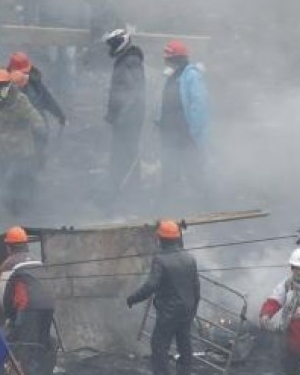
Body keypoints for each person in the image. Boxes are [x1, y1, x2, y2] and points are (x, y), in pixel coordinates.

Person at [126, 220, 200, 375]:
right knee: (185, 346)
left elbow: (151, 285)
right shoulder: (189, 258)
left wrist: (133, 298)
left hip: (169, 312)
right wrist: (193, 310)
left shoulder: (160, 259)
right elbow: (196, 289)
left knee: (159, 346)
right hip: (187, 310)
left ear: (161, 239)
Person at [0, 226, 56, 375]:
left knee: (25, 347)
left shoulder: (8, 264)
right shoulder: (37, 261)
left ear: (8, 247)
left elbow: (3, 295)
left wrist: (9, 316)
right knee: (41, 344)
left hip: (28, 308)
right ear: (26, 244)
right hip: (49, 306)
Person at [0, 69, 47, 214]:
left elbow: (33, 115)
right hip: (1, 149)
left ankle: (27, 206)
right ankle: (8, 208)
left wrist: (39, 127)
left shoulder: (20, 100)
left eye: (2, 85)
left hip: (21, 149)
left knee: (22, 178)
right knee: (2, 180)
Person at [158, 40, 209, 195]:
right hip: (170, 132)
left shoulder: (191, 76)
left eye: (169, 59)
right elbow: (165, 101)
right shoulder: (171, 76)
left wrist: (194, 131)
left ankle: (201, 202)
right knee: (170, 170)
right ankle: (171, 201)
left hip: (186, 134)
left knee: (192, 170)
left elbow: (199, 104)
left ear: (178, 59)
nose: (166, 62)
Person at [104, 29, 145, 193]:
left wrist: (120, 115)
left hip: (129, 118)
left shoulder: (130, 61)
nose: (110, 48)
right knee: (121, 153)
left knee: (127, 153)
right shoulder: (125, 59)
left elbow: (134, 93)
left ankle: (128, 190)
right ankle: (122, 186)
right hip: (124, 117)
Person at [7, 52, 66, 129]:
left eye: (25, 72)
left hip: (37, 128)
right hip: (14, 131)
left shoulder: (35, 83)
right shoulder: (4, 85)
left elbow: (47, 100)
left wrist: (59, 115)